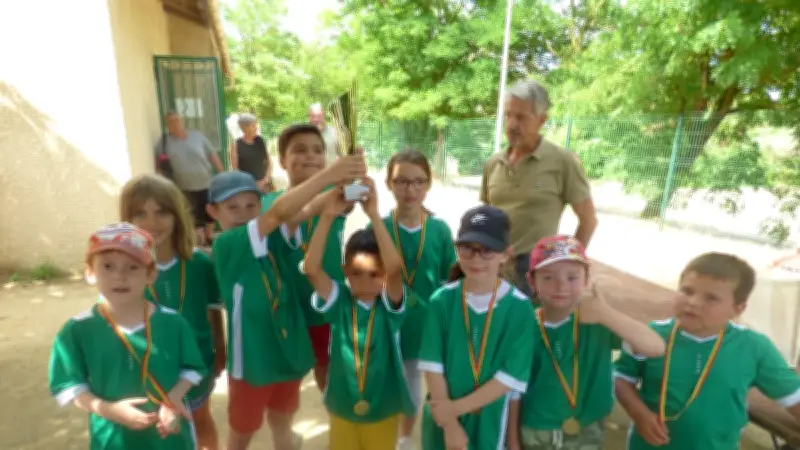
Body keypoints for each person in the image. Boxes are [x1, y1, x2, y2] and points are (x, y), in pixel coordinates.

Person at [207, 156, 365, 450]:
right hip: (252, 362)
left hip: (286, 352)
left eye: (251, 206)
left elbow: (305, 211)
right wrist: (330, 173)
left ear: (260, 205)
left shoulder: (269, 239)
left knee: (282, 421)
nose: (243, 214)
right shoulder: (227, 244)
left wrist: (346, 191)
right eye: (232, 207)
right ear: (212, 211)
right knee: (242, 431)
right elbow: (279, 214)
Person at [614, 252, 800, 450]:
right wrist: (639, 413)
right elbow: (621, 377)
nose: (693, 302)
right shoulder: (649, 335)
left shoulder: (754, 348)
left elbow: (793, 397)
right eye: (687, 291)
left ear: (737, 309)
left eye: (711, 298)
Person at [48, 222, 207, 449]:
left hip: (168, 437)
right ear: (90, 273)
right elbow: (69, 386)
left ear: (151, 274)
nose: (120, 276)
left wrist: (171, 401)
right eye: (108, 266)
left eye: (133, 267)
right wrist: (107, 410)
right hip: (111, 439)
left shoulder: (173, 323)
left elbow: (193, 369)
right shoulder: (76, 330)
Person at [507, 235, 665, 450]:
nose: (561, 285)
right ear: (532, 282)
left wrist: (605, 313)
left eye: (572, 277)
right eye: (548, 278)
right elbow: (513, 390)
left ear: (587, 280)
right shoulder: (524, 327)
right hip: (537, 429)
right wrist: (513, 442)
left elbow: (655, 347)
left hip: (589, 427)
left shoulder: (599, 322)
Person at [305, 178, 413, 450]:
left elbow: (395, 268)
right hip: (343, 406)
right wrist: (328, 215)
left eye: (374, 274)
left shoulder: (390, 305)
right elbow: (312, 269)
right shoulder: (339, 299)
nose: (365, 282)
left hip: (383, 407)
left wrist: (374, 214)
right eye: (356, 274)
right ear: (344, 271)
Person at [119, 174, 226, 450]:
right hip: (149, 369)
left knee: (200, 420)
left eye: (162, 212)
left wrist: (220, 349)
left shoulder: (200, 263)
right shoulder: (124, 270)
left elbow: (213, 311)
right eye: (140, 213)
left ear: (177, 215)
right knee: (161, 431)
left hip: (196, 365)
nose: (151, 223)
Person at [419, 205, 536, 450]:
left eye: (487, 251)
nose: (476, 259)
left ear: (506, 254)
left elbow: (509, 377)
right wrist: (450, 424)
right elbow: (433, 367)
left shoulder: (520, 308)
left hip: (488, 420)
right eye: (467, 249)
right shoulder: (441, 300)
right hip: (442, 419)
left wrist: (453, 410)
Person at [480, 80, 598, 298]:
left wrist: (565, 265)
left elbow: (588, 220)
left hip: (534, 269)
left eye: (522, 117)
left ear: (542, 120)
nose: (512, 124)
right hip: (492, 265)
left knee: (531, 330)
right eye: (508, 115)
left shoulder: (562, 162)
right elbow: (485, 215)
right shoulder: (493, 163)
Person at [261, 123, 350, 392]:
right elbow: (280, 219)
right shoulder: (268, 204)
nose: (311, 156)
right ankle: (284, 430)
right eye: (300, 150)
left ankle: (333, 413)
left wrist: (356, 174)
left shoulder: (337, 194)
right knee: (287, 382)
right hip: (288, 311)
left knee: (329, 372)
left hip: (326, 308)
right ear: (282, 161)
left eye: (318, 150)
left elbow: (361, 194)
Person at [380, 149, 457, 450]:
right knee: (388, 379)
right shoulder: (380, 227)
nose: (409, 189)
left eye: (418, 181)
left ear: (428, 184)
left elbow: (447, 281)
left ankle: (404, 437)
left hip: (426, 323)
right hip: (389, 320)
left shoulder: (439, 230)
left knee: (416, 378)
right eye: (401, 181)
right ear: (388, 183)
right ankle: (387, 432)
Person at [155, 111, 225, 246]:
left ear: (182, 121)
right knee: (194, 214)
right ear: (167, 125)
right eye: (171, 122)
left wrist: (221, 172)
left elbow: (211, 153)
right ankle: (201, 239)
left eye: (177, 120)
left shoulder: (197, 136)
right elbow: (159, 164)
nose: (175, 124)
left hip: (206, 182)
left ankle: (209, 235)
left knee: (210, 210)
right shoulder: (164, 142)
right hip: (184, 185)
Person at [230, 113, 272, 193]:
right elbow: (235, 169)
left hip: (264, 185)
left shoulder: (260, 141)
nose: (256, 128)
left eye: (256, 125)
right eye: (253, 126)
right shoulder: (236, 144)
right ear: (244, 128)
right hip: (246, 187)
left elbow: (270, 162)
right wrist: (251, 184)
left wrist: (265, 180)